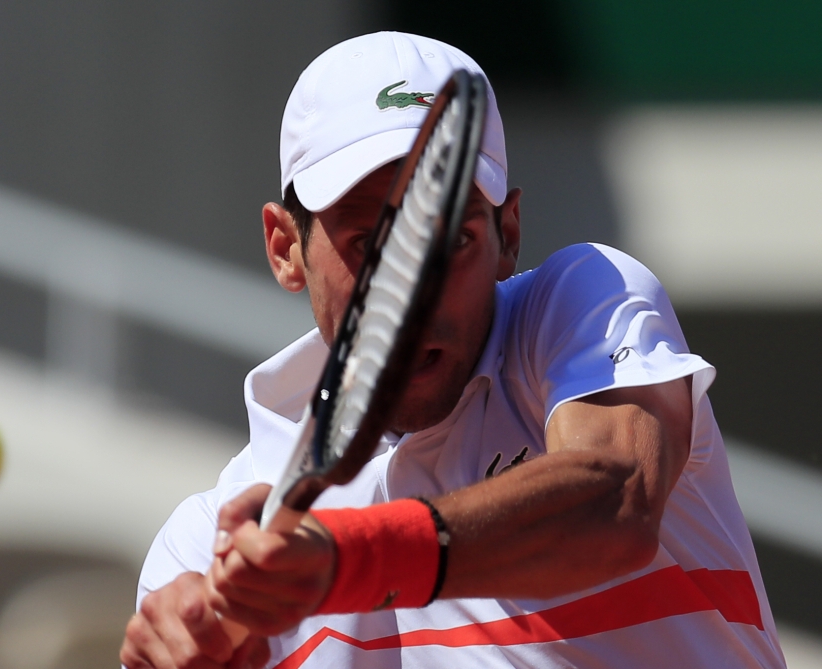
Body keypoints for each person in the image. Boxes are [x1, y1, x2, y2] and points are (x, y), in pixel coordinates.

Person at [121, 32, 786, 669]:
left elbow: (616, 497)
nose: (413, 291)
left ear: (509, 233)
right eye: (367, 241)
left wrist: (351, 558)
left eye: (456, 238)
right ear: (285, 247)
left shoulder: (583, 300)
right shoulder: (199, 544)